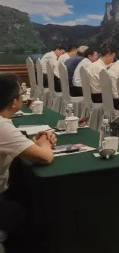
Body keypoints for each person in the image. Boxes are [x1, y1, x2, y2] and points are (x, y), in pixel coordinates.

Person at [0, 74, 56, 248]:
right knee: (31, 218)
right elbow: (45, 157)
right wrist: (45, 144)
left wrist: (34, 144)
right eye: (21, 93)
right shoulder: (2, 126)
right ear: (14, 102)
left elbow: (12, 146)